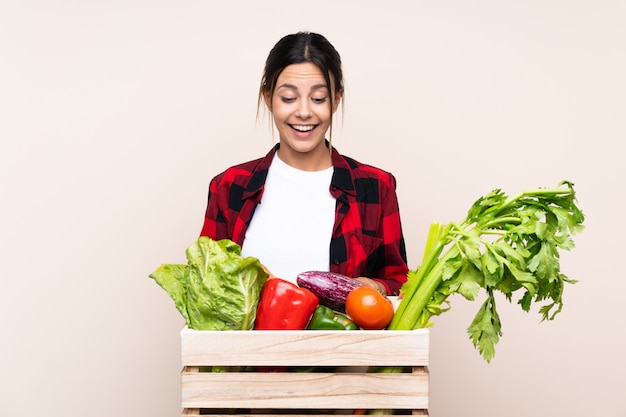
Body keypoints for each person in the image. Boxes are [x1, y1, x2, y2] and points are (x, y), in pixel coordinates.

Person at [200, 31, 408, 295]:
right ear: (268, 98)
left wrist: (375, 287)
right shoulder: (230, 187)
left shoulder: (376, 187)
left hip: (344, 338)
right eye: (288, 98)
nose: (304, 112)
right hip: (248, 339)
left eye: (319, 98)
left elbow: (398, 281)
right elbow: (205, 286)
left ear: (336, 99)